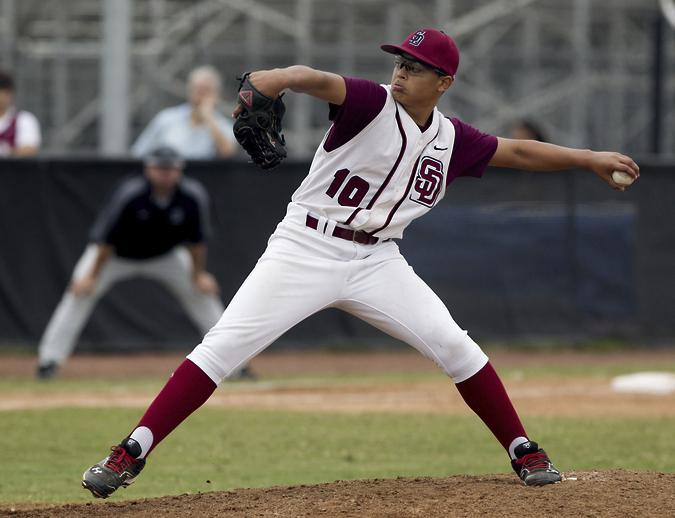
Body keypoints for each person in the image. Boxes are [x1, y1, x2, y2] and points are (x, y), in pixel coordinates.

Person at [82, 28, 640, 498]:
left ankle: (523, 449)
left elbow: (515, 152)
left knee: (454, 345)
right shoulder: (371, 103)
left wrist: (587, 158)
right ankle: (132, 450)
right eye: (400, 62)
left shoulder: (450, 140)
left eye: (416, 68)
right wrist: (274, 78)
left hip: (378, 261)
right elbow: (317, 79)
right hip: (305, 247)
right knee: (222, 347)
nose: (401, 73)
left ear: (443, 83)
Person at [36, 146, 241, 380]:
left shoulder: (192, 195)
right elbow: (105, 241)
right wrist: (91, 277)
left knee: (203, 294)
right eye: (160, 168)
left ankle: (236, 365)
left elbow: (197, 242)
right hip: (113, 256)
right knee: (78, 294)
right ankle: (49, 361)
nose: (165, 173)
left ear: (179, 171)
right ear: (148, 169)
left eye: (171, 169)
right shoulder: (130, 194)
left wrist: (198, 275)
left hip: (166, 256)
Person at [131, 66, 237, 159]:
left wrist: (208, 117)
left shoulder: (223, 126)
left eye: (206, 90)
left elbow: (227, 153)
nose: (201, 95)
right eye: (198, 89)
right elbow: (139, 152)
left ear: (216, 94)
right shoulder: (166, 119)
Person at [0, 70, 41, 156]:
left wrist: (5, 152)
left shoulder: (24, 120)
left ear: (9, 94)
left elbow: (29, 150)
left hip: (11, 169)